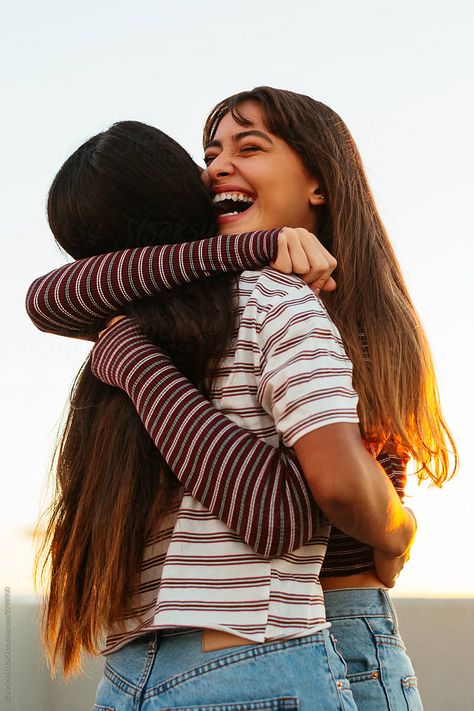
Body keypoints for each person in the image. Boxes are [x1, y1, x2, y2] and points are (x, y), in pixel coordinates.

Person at [24, 92, 451, 707]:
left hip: (331, 622)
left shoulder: (322, 310)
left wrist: (398, 532)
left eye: (249, 147)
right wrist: (250, 248)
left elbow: (345, 500)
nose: (216, 166)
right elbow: (49, 298)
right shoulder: (216, 289)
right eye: (211, 152)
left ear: (321, 184)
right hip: (238, 634)